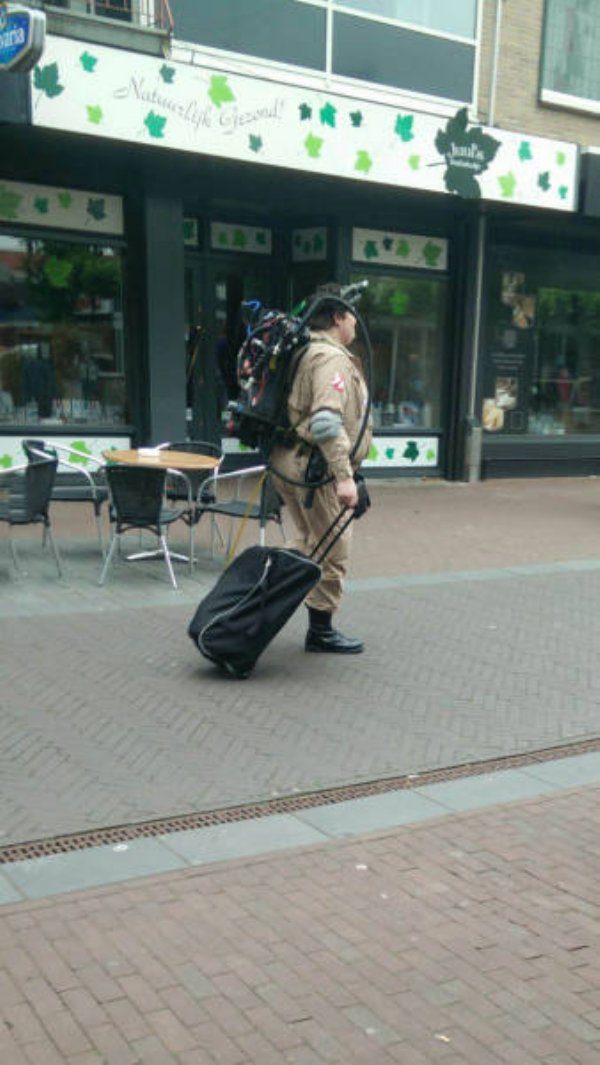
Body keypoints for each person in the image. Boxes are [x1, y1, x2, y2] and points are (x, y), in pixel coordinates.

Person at [270, 283, 372, 654]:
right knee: (333, 549)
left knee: (309, 541)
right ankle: (320, 631)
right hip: (314, 469)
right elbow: (327, 423)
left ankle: (258, 590)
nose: (356, 324)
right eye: (352, 317)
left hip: (291, 459)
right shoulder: (331, 358)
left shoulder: (303, 350)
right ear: (338, 318)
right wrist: (344, 477)